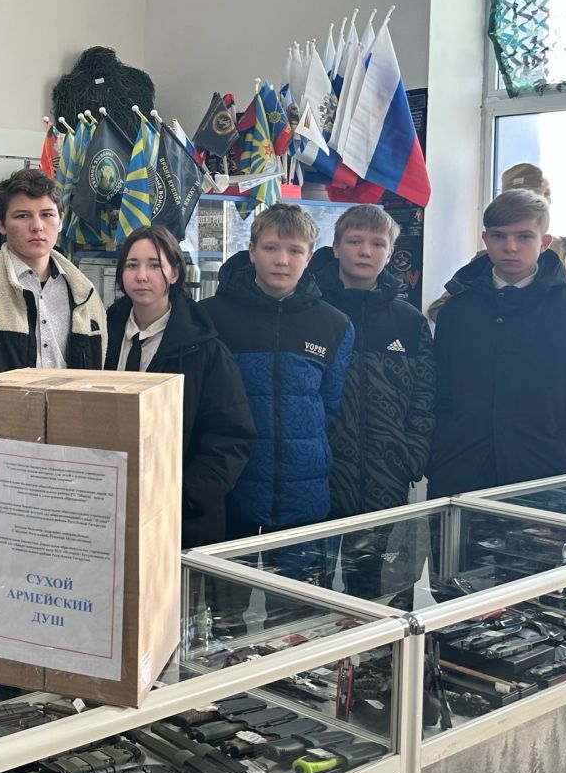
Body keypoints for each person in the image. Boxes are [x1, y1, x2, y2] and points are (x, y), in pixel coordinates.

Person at [427, 188, 566, 496]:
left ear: (544, 242)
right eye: (499, 236)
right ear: (485, 239)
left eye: (524, 236)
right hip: (460, 476)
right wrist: (440, 452)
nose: (510, 247)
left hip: (551, 479)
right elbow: (437, 390)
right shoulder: (456, 312)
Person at [203, 203, 354, 538]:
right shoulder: (210, 318)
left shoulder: (335, 325)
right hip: (229, 493)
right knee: (224, 576)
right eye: (271, 248)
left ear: (309, 256)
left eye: (294, 250)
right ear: (252, 251)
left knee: (297, 575)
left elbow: (329, 406)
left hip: (304, 496)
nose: (282, 260)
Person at [105, 225, 256, 546]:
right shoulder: (100, 335)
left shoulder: (205, 349)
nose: (141, 276)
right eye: (132, 265)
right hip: (109, 511)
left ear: (174, 273)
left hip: (180, 520)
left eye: (154, 265)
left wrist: (181, 498)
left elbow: (231, 438)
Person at [307, 204, 435, 518]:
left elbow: (425, 395)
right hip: (318, 473)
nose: (365, 251)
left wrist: (412, 456)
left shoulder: (410, 321)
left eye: (378, 243)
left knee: (374, 552)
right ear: (336, 247)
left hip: (387, 475)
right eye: (355, 241)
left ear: (390, 253)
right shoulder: (310, 313)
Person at [427, 162, 566, 336]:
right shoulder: (487, 258)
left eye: (524, 236)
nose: (511, 248)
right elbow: (441, 309)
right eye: (514, 199)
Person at [0, 166, 106, 370]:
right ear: (1, 224)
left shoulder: (85, 294)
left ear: (61, 220)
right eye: (23, 216)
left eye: (47, 214)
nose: (37, 226)